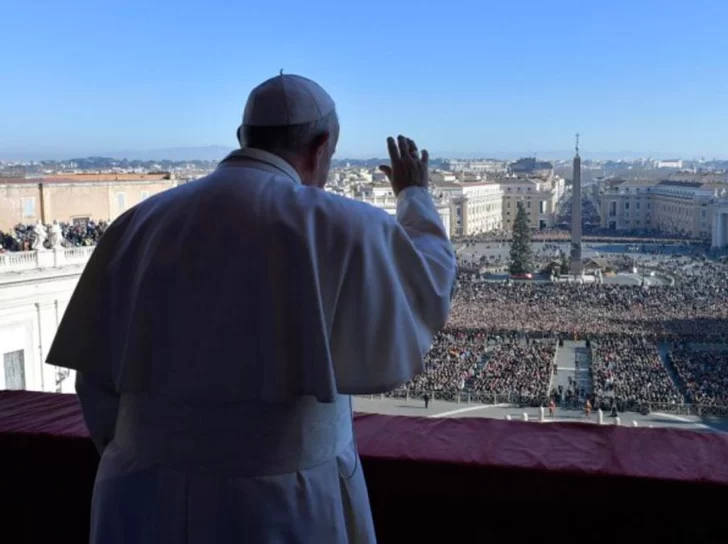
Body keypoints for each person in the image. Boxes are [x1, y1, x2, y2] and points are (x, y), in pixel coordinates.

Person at [46, 73, 456, 544]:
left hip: (140, 497)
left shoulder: (137, 223)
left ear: (243, 138)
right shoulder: (346, 224)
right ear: (321, 146)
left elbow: (94, 379)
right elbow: (429, 284)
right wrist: (414, 195)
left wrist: (150, 453)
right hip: (283, 503)